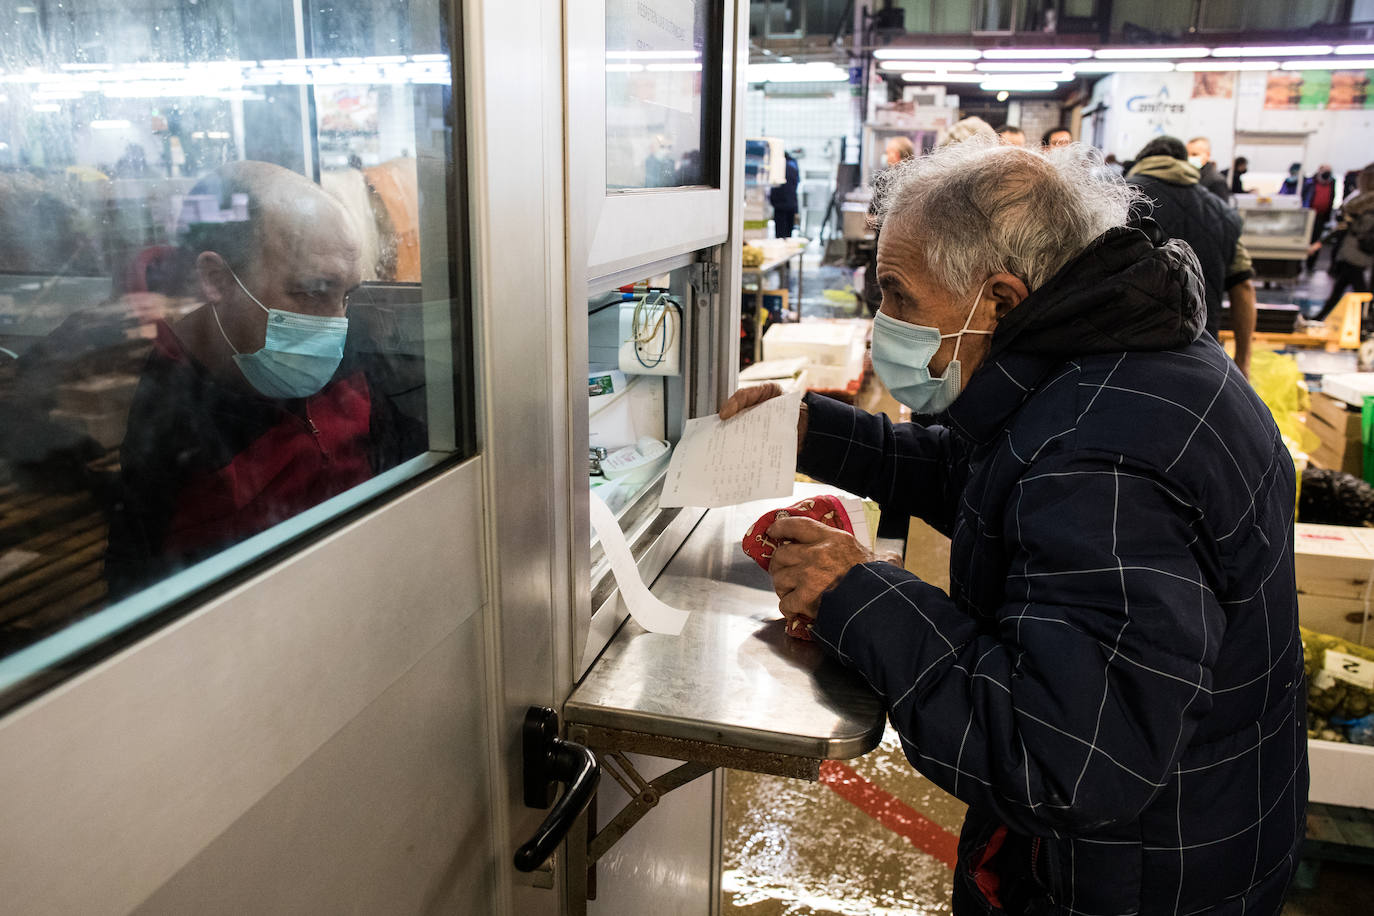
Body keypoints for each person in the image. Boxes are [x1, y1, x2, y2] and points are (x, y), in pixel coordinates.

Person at [720, 139, 1305, 915]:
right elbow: (995, 478)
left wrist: (858, 594)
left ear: (998, 299)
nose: (878, 325)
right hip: (1196, 825)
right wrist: (816, 433)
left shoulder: (1105, 462)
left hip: (1131, 884)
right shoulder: (1118, 358)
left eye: (897, 295)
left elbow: (1062, 758)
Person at [106, 161, 426, 593]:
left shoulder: (348, 355)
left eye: (346, 295)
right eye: (313, 291)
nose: (336, 323)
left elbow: (406, 456)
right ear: (217, 280)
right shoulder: (173, 421)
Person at [1126, 136, 1257, 377]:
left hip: (1128, 356)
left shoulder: (1121, 199)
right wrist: (1243, 361)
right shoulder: (1223, 214)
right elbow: (1244, 287)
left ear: (1141, 161)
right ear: (1185, 162)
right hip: (1204, 356)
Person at [1311, 164, 1374, 321]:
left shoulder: (1364, 203)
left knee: (1359, 290)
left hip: (1357, 250)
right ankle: (1320, 317)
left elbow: (1349, 225)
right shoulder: (1361, 200)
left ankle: (1364, 323)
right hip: (1354, 250)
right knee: (1343, 286)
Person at [1303, 165, 1338, 270]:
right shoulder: (1310, 182)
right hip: (1308, 216)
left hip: (1321, 217)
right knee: (1304, 240)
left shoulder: (1332, 183)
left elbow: (1331, 198)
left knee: (1316, 240)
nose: (1326, 173)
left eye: (1329, 171)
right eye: (1324, 170)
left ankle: (1311, 264)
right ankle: (1299, 264)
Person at [769, 151, 800, 239]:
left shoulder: (777, 169)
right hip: (791, 204)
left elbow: (774, 187)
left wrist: (773, 202)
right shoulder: (793, 167)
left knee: (780, 235)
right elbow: (795, 187)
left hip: (780, 205)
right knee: (788, 234)